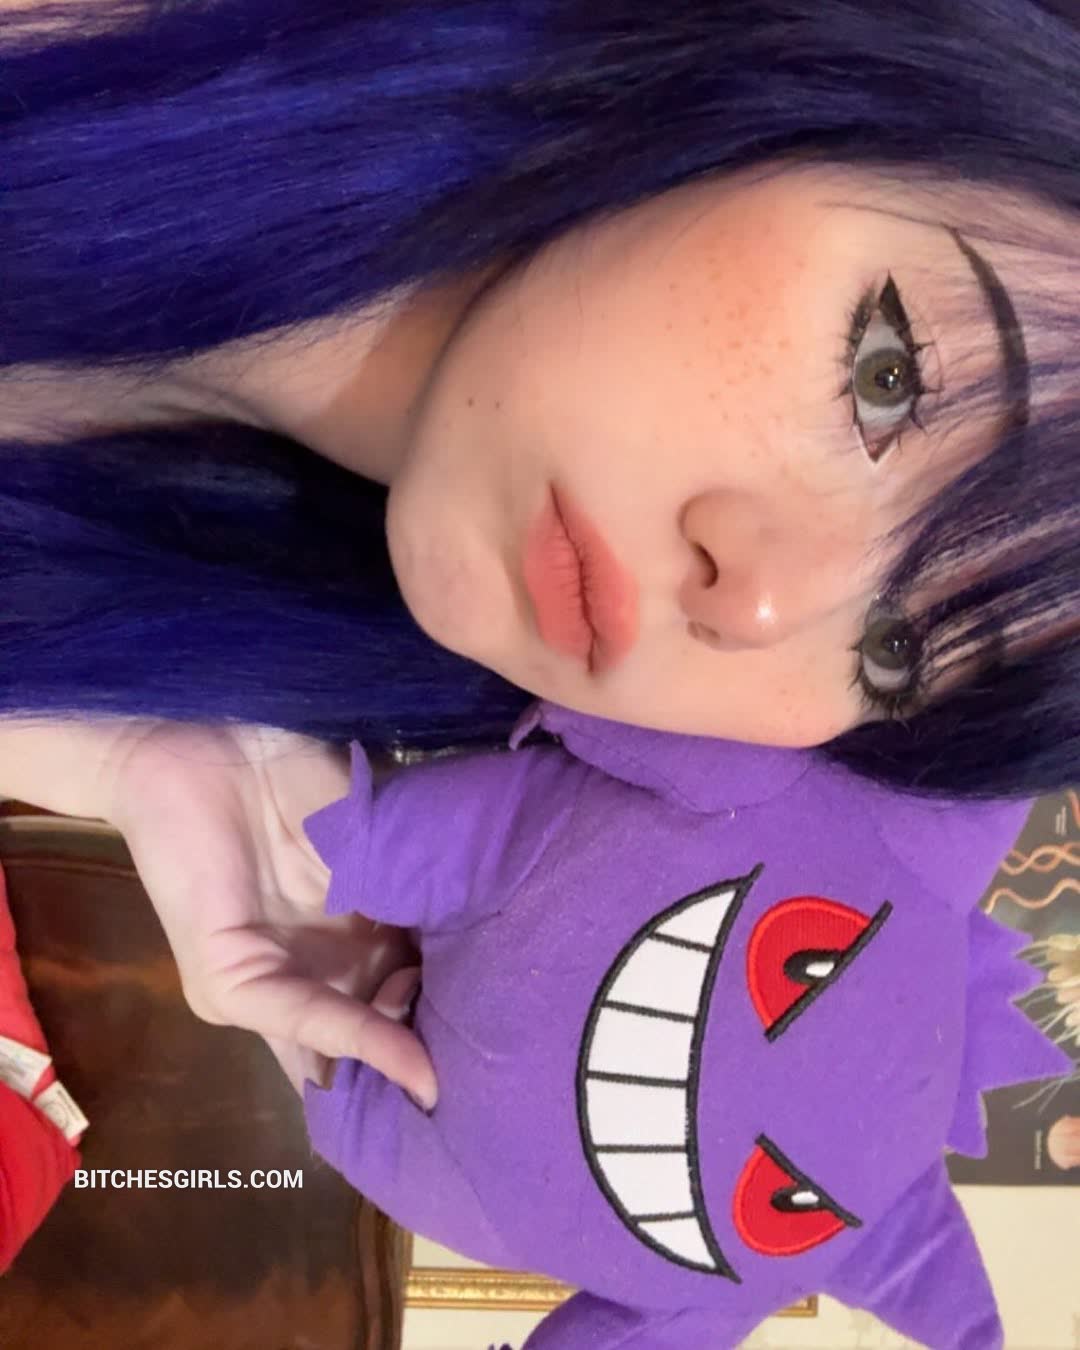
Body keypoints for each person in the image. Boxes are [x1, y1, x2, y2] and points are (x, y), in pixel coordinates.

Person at [1, 0, 1077, 1108]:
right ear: (822, 85)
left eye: (898, 651)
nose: (758, 606)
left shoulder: (237, 591)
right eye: (888, 382)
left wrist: (126, 755)